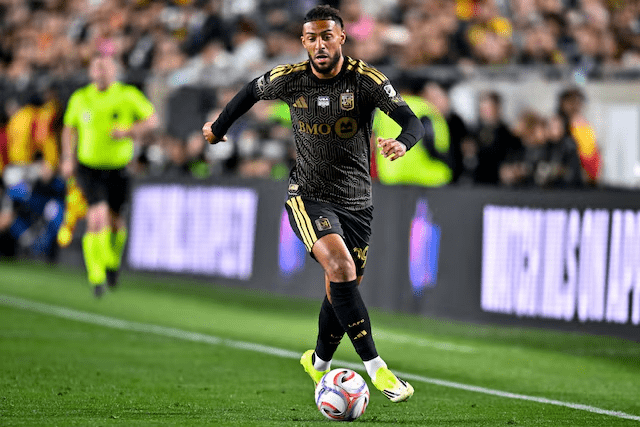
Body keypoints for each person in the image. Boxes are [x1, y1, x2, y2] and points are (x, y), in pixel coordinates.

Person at [202, 5, 422, 403]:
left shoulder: (366, 80)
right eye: (311, 38)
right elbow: (250, 91)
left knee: (342, 287)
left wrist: (402, 143)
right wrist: (218, 129)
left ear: (341, 38)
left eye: (326, 36)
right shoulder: (291, 78)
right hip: (308, 195)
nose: (319, 45)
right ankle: (378, 368)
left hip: (357, 202)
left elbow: (412, 121)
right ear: (303, 42)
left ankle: (318, 363)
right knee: (340, 268)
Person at [61, 55, 158, 298]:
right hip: (89, 167)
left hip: (118, 168)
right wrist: (67, 158)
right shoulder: (81, 97)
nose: (101, 72)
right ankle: (96, 276)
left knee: (116, 222)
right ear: (91, 72)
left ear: (114, 72)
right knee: (97, 217)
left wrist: (129, 131)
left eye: (105, 68)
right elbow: (69, 129)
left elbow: (152, 121)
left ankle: (112, 263)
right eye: (97, 68)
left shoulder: (127, 95)